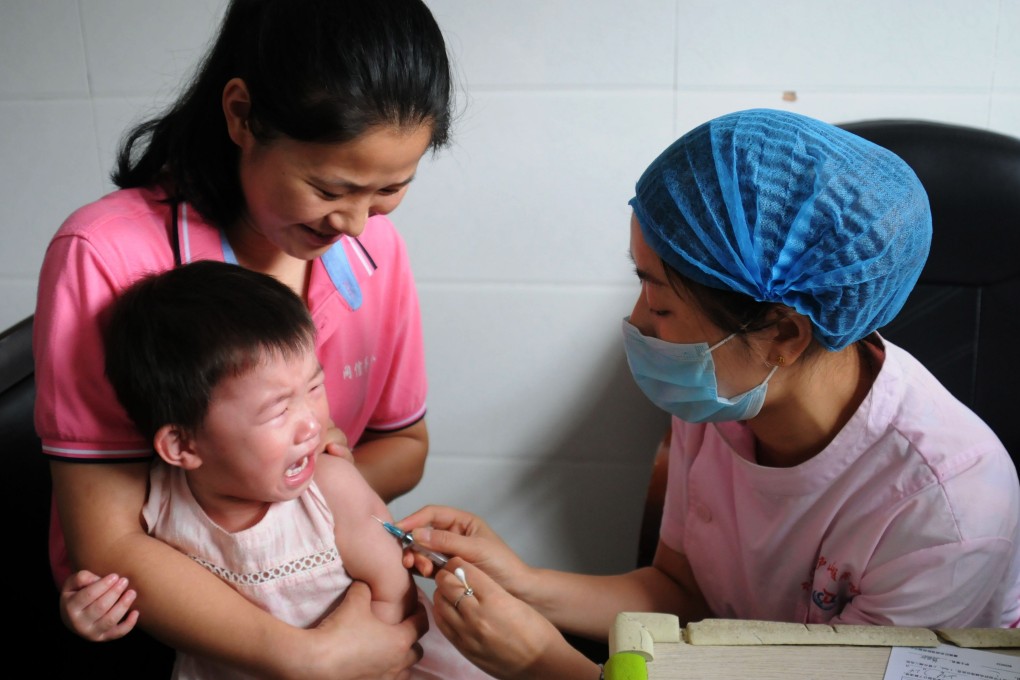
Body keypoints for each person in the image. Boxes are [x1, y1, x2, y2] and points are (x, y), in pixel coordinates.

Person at [393, 109, 1020, 679]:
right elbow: (682, 594)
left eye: (660, 303)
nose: (638, 323)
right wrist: (523, 583)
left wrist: (545, 664)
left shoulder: (947, 508)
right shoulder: (726, 395)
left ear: (783, 333)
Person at [34, 0, 452, 675]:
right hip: (169, 640)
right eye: (329, 187)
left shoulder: (377, 252)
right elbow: (107, 542)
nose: (353, 223)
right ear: (240, 114)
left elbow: (405, 446)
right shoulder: (104, 256)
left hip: (335, 606)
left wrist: (312, 506)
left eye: (388, 191)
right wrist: (307, 657)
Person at [66, 261, 492, 679]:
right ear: (182, 445)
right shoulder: (157, 506)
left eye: (314, 388)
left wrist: (372, 664)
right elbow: (130, 593)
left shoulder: (332, 488)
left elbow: (395, 596)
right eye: (278, 409)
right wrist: (87, 616)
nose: (312, 424)